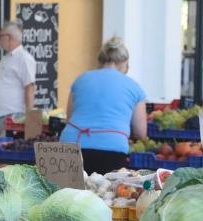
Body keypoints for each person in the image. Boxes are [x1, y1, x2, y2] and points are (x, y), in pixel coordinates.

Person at [60, 37, 147, 174]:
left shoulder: (81, 79)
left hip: (69, 145)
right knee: (106, 193)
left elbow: (69, 118)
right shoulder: (134, 87)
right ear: (124, 63)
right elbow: (140, 132)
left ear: (100, 61)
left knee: (62, 194)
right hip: (112, 149)